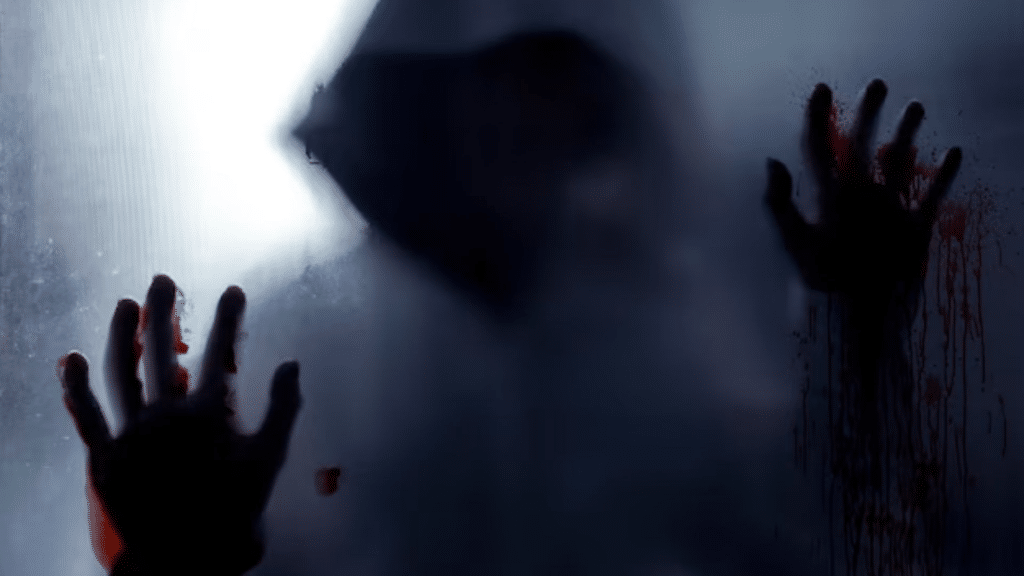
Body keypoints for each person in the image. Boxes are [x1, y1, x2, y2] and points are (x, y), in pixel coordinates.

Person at [60, 32, 962, 576]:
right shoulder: (305, 342)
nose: (515, 124)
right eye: (487, 83)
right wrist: (177, 557)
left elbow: (804, 540)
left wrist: (862, 335)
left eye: (552, 86)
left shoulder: (656, 330)